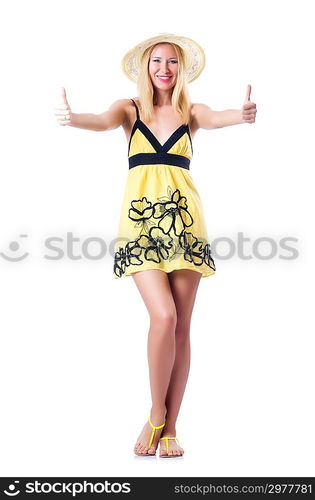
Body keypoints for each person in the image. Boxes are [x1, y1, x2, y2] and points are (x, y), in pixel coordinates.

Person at [54, 33, 257, 458]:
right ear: (146, 67)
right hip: (141, 229)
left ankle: (170, 430)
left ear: (181, 70)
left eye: (172, 62)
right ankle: (155, 413)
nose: (164, 68)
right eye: (156, 61)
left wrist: (242, 115)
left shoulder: (191, 112)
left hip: (186, 226)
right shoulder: (128, 110)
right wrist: (73, 118)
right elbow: (101, 119)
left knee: (182, 327)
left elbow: (219, 116)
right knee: (162, 316)